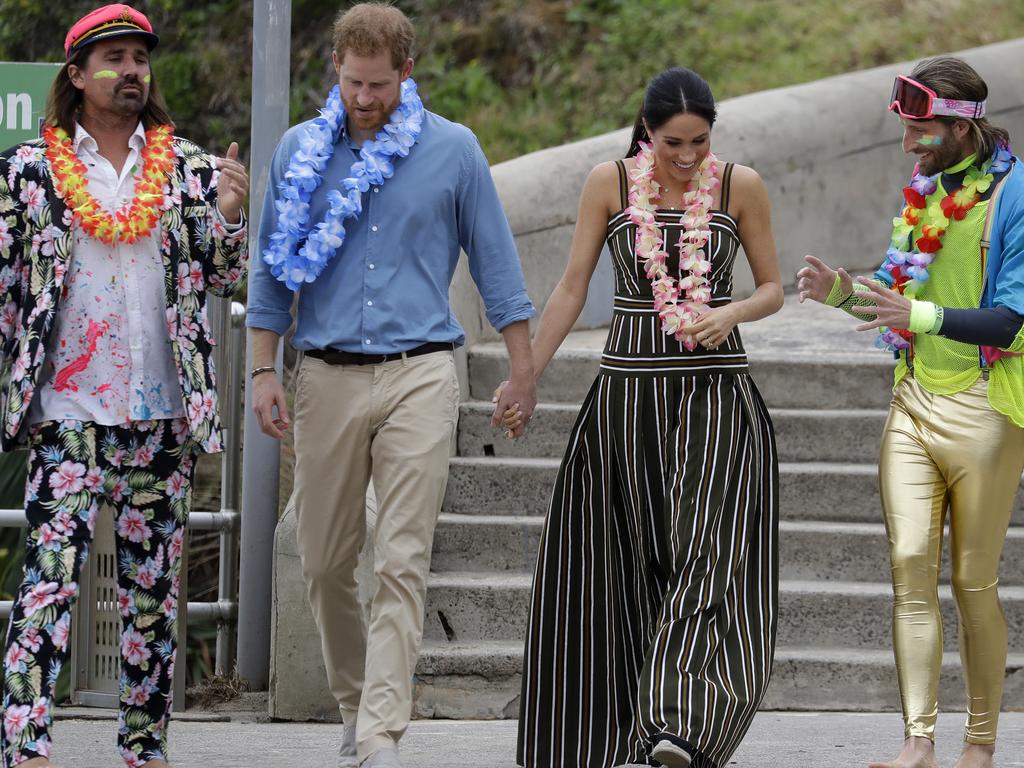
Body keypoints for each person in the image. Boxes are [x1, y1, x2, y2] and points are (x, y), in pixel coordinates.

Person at [245, 3, 536, 767]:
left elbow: (498, 268)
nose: (363, 99)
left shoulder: (455, 151)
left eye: (377, 84)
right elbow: (273, 271)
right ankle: (353, 701)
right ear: (334, 72)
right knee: (324, 560)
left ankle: (379, 735)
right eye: (351, 83)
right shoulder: (298, 151)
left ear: (408, 73)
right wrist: (260, 369)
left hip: (421, 370)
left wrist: (522, 368)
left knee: (403, 557)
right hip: (326, 374)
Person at [510, 67, 782, 768]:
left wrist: (732, 311)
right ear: (647, 130)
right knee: (628, 564)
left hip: (715, 397)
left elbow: (773, 288)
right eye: (672, 142)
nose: (687, 156)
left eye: (699, 141)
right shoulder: (608, 181)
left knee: (705, 556)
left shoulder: (739, 187)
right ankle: (626, 730)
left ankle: (676, 725)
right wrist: (526, 375)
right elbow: (572, 287)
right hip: (626, 396)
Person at [0, 4, 249, 767]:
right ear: (76, 76)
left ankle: (144, 749)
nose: (131, 70)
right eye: (113, 58)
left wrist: (230, 218)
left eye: (140, 58)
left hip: (162, 415)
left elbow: (226, 275)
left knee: (150, 599)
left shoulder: (190, 168)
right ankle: (24, 743)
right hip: (66, 409)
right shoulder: (28, 172)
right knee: (49, 582)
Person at [797, 56, 1024, 768]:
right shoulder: (923, 194)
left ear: (962, 123)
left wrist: (918, 313)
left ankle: (980, 743)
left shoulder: (1013, 196)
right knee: (908, 563)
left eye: (921, 131)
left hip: (986, 410)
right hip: (913, 402)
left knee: (972, 582)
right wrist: (840, 294)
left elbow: (1013, 320)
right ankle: (917, 741)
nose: (908, 145)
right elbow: (903, 302)